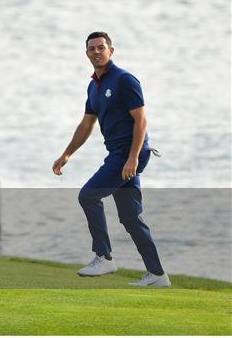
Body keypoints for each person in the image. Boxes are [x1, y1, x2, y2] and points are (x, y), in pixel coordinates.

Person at [52, 31, 171, 287]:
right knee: (131, 218)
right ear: (86, 54)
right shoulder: (94, 86)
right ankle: (158, 275)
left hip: (129, 154)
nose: (97, 51)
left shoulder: (124, 79)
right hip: (120, 155)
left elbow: (141, 120)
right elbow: (86, 125)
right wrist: (67, 154)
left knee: (89, 195)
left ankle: (104, 257)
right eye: (92, 49)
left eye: (101, 47)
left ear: (111, 51)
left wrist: (132, 158)